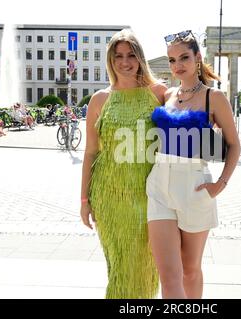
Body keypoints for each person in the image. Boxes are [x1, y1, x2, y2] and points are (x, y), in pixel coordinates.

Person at [146, 30, 241, 299]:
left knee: (189, 270)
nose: (178, 66)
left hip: (194, 185)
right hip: (158, 186)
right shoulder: (167, 94)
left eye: (184, 58)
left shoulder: (215, 97)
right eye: (172, 60)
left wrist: (219, 185)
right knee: (168, 273)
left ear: (198, 58)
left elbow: (234, 144)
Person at [79, 29, 166, 299]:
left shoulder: (159, 93)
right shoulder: (100, 100)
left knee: (146, 267)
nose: (125, 61)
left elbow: (192, 108)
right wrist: (84, 200)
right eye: (118, 56)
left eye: (131, 55)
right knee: (120, 268)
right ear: (110, 59)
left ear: (140, 58)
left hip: (151, 196)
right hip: (110, 196)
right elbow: (91, 152)